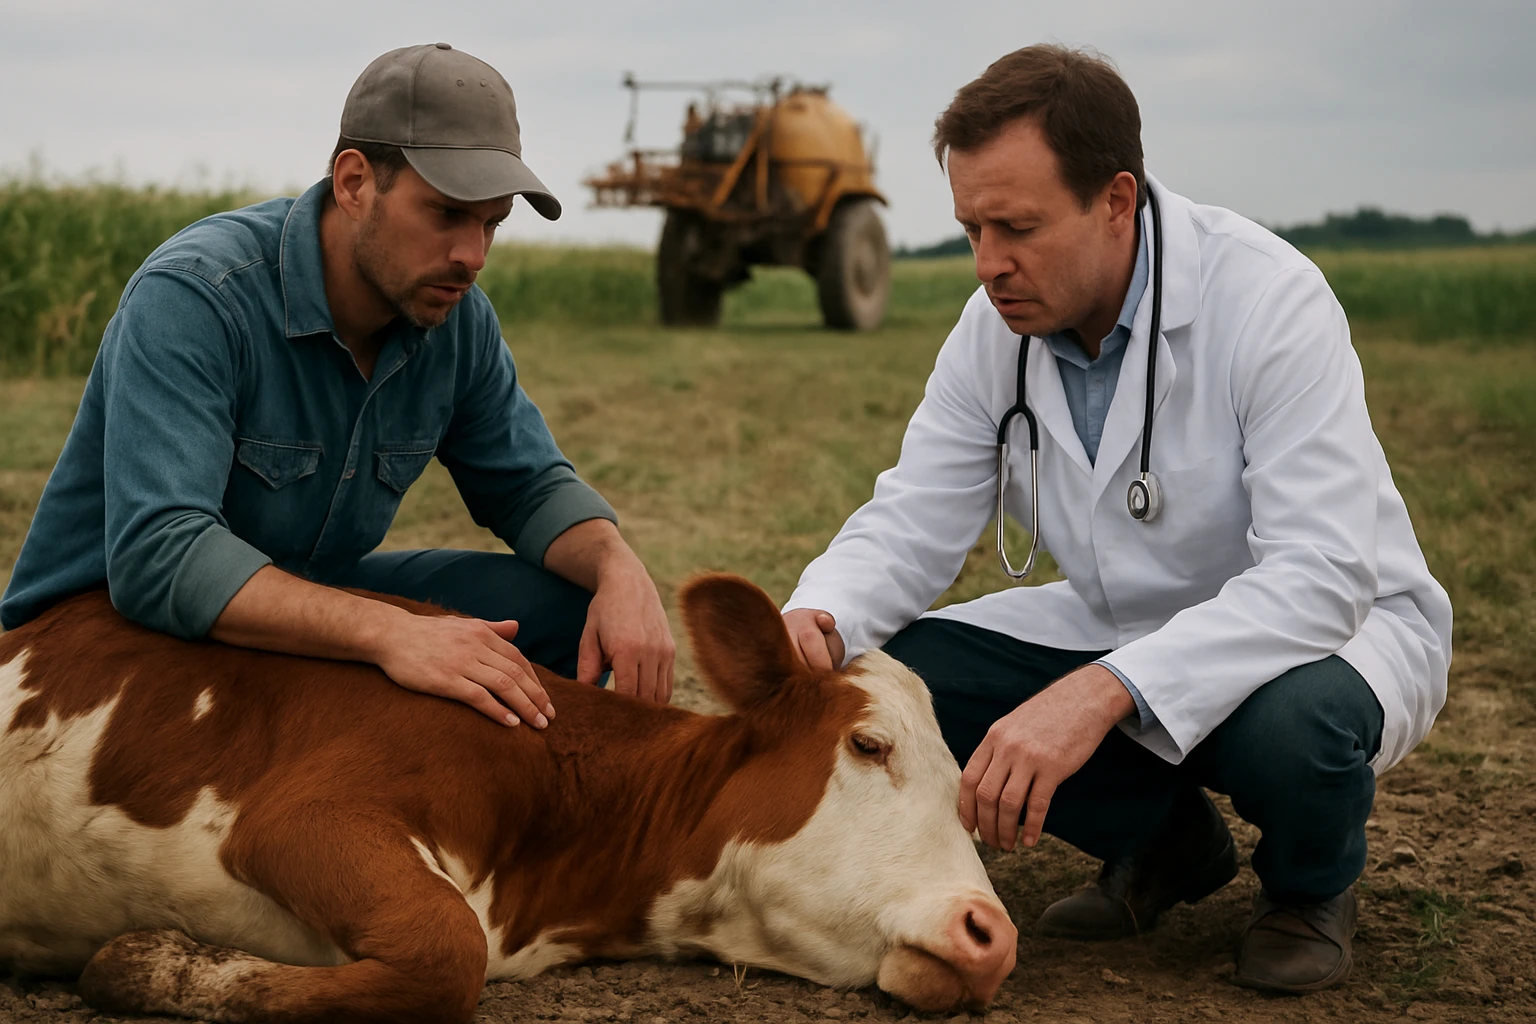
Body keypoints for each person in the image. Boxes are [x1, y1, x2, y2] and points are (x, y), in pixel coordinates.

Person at [781, 44, 1451, 994]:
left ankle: (1308, 891)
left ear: (1116, 200)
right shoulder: (992, 331)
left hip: (1328, 634)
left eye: (1017, 227)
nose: (988, 264)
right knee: (907, 678)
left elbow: (1322, 575)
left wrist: (1100, 691)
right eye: (971, 227)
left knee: (1294, 729)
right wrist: (821, 616)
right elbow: (912, 517)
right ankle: (1168, 843)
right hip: (1125, 617)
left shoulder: (1270, 299)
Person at [0, 43, 675, 726]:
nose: (472, 256)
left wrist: (618, 568)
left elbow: (528, 487)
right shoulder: (198, 295)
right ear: (354, 183)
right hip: (101, 645)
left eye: (491, 222)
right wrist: (389, 633)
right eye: (447, 213)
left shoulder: (456, 318)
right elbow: (160, 556)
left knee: (561, 612)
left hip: (295, 611)